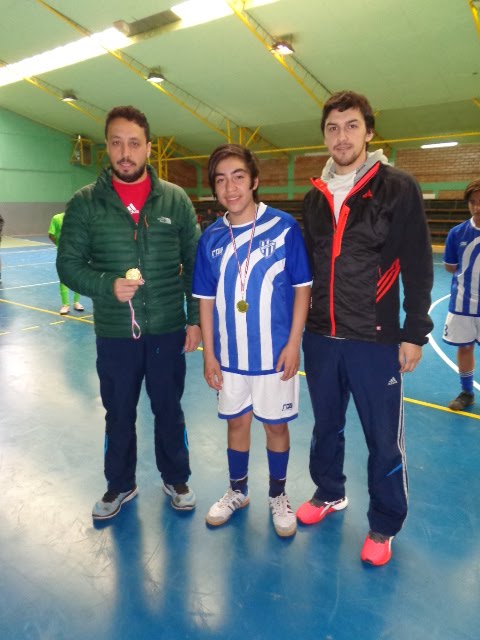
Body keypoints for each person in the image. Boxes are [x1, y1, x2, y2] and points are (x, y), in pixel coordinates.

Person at [296, 90, 433, 565]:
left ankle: (384, 523)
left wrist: (414, 331)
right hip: (321, 338)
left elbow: (417, 262)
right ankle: (329, 492)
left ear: (369, 132)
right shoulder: (314, 197)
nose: (342, 136)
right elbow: (306, 270)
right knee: (326, 428)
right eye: (333, 128)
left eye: (351, 125)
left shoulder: (398, 187)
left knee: (381, 436)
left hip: (375, 341)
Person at [57, 105, 201, 520]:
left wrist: (193, 319)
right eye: (117, 143)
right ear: (107, 147)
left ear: (149, 148)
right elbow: (68, 264)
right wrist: (106, 286)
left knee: (169, 409)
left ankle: (176, 477)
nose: (125, 152)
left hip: (167, 330)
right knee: (118, 412)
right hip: (116, 334)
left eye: (134, 143)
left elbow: (195, 266)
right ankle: (120, 484)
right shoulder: (86, 203)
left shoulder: (175, 199)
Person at [193, 144, 312, 537]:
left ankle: (278, 494)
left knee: (276, 427)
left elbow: (302, 289)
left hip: (275, 356)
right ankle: (238, 490)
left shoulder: (283, 227)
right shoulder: (210, 237)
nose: (230, 187)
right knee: (236, 423)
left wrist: (294, 343)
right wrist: (210, 355)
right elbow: (205, 303)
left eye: (238, 176)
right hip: (230, 358)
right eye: (221, 179)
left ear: (254, 181)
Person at [442, 179, 480, 411]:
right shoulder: (457, 233)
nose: (477, 207)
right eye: (473, 203)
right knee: (465, 348)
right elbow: (450, 265)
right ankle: (467, 392)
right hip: (462, 303)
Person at [48, 212, 84, 315]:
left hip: (79, 253)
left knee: (78, 278)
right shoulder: (57, 218)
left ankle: (76, 302)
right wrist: (60, 245)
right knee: (64, 279)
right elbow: (51, 234)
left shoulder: (81, 218)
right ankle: (65, 305)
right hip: (63, 254)